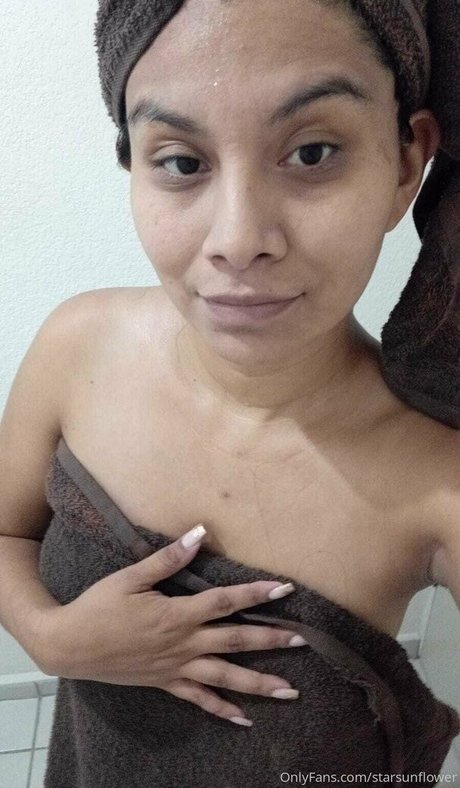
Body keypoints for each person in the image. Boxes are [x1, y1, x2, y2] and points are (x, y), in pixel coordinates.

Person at [0, 0, 459, 782]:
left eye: (312, 152)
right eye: (183, 163)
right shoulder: (77, 346)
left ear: (405, 164)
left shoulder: (438, 480)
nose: (239, 241)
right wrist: (52, 638)